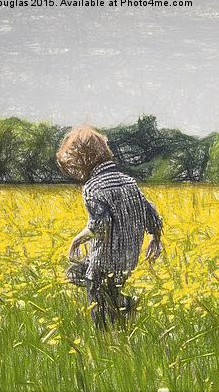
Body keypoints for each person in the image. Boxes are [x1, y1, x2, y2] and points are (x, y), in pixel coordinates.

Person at [56, 125, 163, 329]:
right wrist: (155, 238)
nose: (75, 172)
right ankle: (125, 309)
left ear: (83, 159)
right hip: (128, 259)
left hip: (103, 261)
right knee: (105, 288)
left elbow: (100, 224)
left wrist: (75, 241)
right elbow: (151, 214)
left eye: (74, 166)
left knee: (98, 305)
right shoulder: (129, 182)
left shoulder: (93, 186)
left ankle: (111, 331)